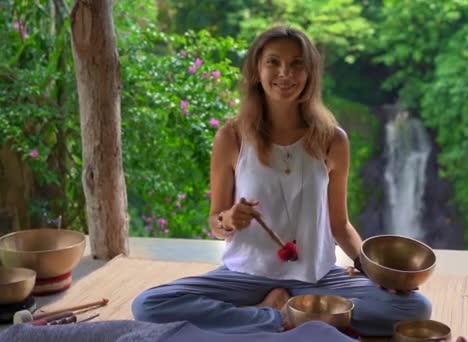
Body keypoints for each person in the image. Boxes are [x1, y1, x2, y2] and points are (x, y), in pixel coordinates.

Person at [131, 25, 432, 336]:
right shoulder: (231, 137)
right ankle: (276, 317)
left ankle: (286, 309)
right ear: (257, 70)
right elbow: (216, 223)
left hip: (318, 277)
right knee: (150, 305)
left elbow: (339, 225)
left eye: (297, 63)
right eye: (273, 62)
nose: (285, 73)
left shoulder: (332, 140)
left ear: (310, 72)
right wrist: (230, 218)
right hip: (246, 275)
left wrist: (373, 273)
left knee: (414, 307)